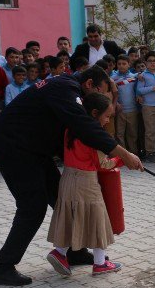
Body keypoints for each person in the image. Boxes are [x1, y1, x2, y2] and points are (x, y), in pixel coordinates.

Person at [0, 66, 142, 286]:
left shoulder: (68, 88)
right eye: (101, 91)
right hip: (14, 148)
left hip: (34, 149)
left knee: (62, 199)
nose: (101, 98)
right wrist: (123, 154)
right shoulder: (65, 90)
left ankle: (75, 252)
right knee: (32, 207)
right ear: (89, 85)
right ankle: (2, 267)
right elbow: (84, 126)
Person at [46, 92, 123, 276]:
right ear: (95, 113)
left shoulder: (70, 129)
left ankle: (60, 252)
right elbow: (102, 164)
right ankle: (100, 263)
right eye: (106, 116)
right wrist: (121, 160)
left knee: (71, 216)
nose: (107, 121)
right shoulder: (93, 134)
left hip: (68, 177)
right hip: (86, 181)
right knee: (97, 219)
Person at [113, 55, 139, 154]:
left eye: (124, 64)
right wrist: (117, 104)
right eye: (119, 64)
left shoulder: (134, 77)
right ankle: (123, 155)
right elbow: (112, 94)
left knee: (132, 133)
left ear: (129, 65)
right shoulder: (113, 78)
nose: (121, 66)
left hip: (132, 110)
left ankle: (133, 153)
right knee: (119, 133)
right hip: (120, 111)